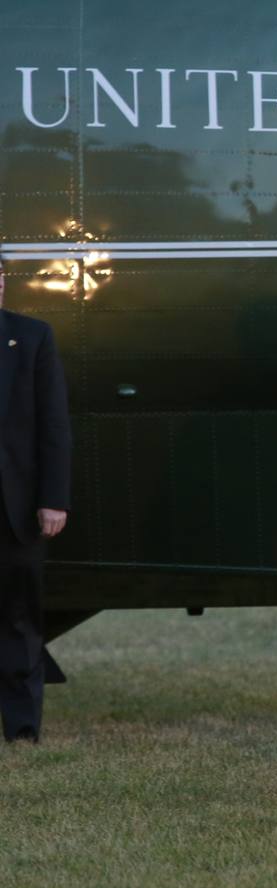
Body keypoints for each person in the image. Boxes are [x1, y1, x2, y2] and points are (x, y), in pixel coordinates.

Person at [0, 257, 72, 744]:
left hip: (15, 509)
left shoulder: (31, 338)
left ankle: (22, 731)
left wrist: (53, 500)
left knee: (18, 619)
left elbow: (53, 427)